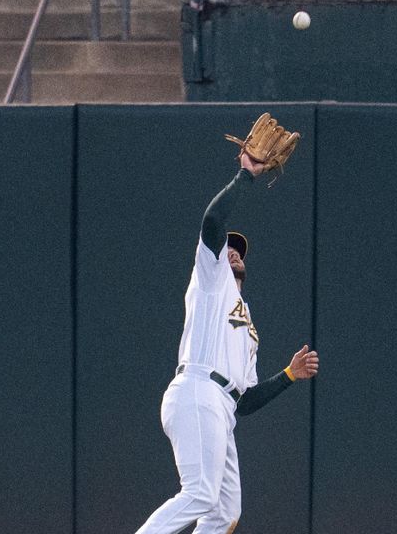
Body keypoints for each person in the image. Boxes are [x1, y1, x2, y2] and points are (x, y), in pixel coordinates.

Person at [135, 150, 319, 533]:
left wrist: (288, 375)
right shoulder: (210, 279)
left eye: (239, 250)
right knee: (201, 493)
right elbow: (213, 220)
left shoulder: (248, 326)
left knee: (224, 512)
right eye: (228, 248)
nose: (233, 251)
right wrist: (245, 175)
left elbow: (246, 399)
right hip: (198, 389)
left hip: (223, 407)